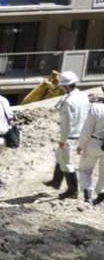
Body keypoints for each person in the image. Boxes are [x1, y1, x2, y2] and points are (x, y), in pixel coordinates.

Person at [50, 71, 88, 200]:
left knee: (67, 163)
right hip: (81, 133)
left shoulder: (68, 102)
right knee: (59, 156)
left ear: (65, 86)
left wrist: (62, 140)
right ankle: (56, 181)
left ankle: (73, 191)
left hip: (70, 137)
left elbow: (66, 124)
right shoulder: (83, 96)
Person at [77, 94, 104, 205]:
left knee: (84, 170)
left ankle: (87, 195)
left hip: (94, 142)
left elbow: (87, 130)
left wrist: (81, 145)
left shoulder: (96, 107)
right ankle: (101, 195)